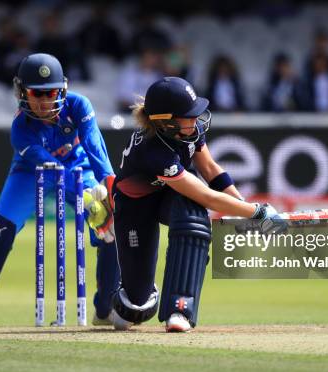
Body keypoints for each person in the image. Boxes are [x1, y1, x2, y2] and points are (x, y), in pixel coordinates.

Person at [0, 53, 120, 327]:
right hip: (31, 170)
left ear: (63, 89)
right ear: (22, 92)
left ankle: (106, 309)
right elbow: (52, 167)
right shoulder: (20, 129)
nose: (45, 101)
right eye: (37, 93)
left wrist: (108, 186)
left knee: (111, 222)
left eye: (52, 93)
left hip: (79, 164)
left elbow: (94, 145)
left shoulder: (79, 105)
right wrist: (86, 198)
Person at [110, 77, 277, 332]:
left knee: (193, 217)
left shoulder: (188, 130)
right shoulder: (154, 150)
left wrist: (243, 206)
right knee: (135, 308)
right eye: (189, 115)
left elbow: (210, 169)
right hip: (134, 207)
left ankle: (180, 309)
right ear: (166, 121)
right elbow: (207, 196)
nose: (196, 119)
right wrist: (256, 212)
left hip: (169, 196)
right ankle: (135, 294)